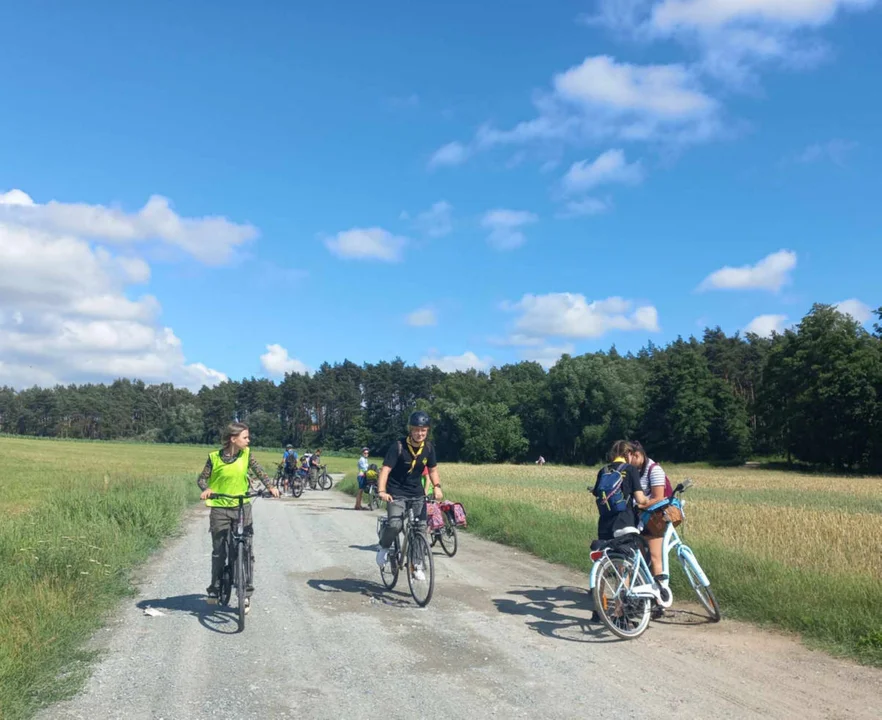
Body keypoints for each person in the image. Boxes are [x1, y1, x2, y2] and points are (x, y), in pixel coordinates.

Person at [196, 422, 280, 613]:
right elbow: (202, 479)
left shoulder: (247, 454)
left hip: (242, 507)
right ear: (233, 439)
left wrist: (271, 488)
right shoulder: (214, 457)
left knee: (246, 550)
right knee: (219, 552)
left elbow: (260, 472)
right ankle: (215, 589)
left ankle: (246, 593)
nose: (248, 440)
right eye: (245, 437)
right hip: (219, 508)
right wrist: (206, 489)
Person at [375, 411, 443, 578]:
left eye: (423, 430)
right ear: (410, 430)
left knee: (420, 528)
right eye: (416, 430)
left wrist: (437, 486)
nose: (420, 433)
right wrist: (382, 491)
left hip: (416, 492)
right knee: (395, 525)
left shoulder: (428, 448)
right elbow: (385, 470)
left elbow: (433, 470)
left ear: (427, 431)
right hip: (396, 491)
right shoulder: (398, 446)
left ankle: (416, 564)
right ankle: (383, 547)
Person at [629, 440, 673, 609]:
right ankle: (645, 595)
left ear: (637, 455)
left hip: (654, 519)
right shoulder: (636, 471)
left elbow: (658, 497)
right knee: (639, 560)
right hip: (640, 520)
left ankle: (660, 599)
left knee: (655, 558)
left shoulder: (654, 470)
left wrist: (639, 504)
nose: (628, 462)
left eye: (629, 458)